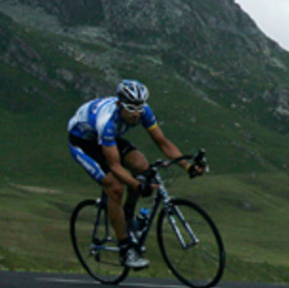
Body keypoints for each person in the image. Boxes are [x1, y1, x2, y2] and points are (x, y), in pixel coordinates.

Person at [67, 79, 203, 269]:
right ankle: (125, 249)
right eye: (131, 108)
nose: (136, 114)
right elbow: (114, 166)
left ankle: (128, 218)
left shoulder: (143, 112)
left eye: (139, 107)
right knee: (115, 188)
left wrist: (187, 167)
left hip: (110, 140)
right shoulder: (107, 121)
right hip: (84, 143)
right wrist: (137, 186)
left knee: (141, 166)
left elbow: (162, 143)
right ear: (119, 104)